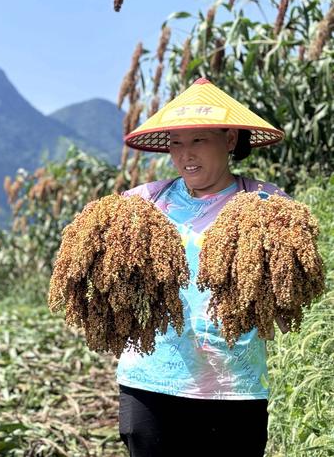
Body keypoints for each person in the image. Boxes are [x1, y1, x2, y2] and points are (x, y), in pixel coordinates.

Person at [116, 78, 287, 457]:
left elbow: (288, 287)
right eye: (176, 143)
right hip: (150, 382)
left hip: (233, 387)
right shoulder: (143, 202)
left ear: (229, 139)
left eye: (198, 140)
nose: (184, 154)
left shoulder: (265, 203)